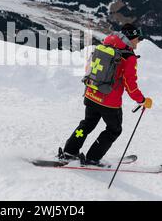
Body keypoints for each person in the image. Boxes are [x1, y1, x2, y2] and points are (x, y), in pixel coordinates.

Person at [60, 24, 153, 165]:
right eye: (137, 39)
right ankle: (92, 157)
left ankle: (69, 151)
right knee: (113, 130)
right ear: (130, 39)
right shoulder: (128, 57)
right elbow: (130, 85)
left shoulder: (105, 46)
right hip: (109, 101)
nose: (139, 41)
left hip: (91, 94)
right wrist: (142, 100)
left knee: (86, 124)